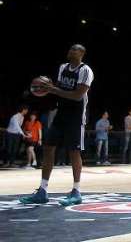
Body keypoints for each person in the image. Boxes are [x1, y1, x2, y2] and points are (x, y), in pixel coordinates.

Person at [20, 44, 94, 206]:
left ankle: (76, 191)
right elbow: (60, 90)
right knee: (48, 148)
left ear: (81, 53)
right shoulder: (62, 68)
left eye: (74, 49)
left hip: (76, 117)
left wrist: (52, 90)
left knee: (74, 152)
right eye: (70, 49)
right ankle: (42, 191)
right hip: (61, 115)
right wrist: (42, 89)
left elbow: (77, 96)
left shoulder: (85, 70)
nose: (70, 51)